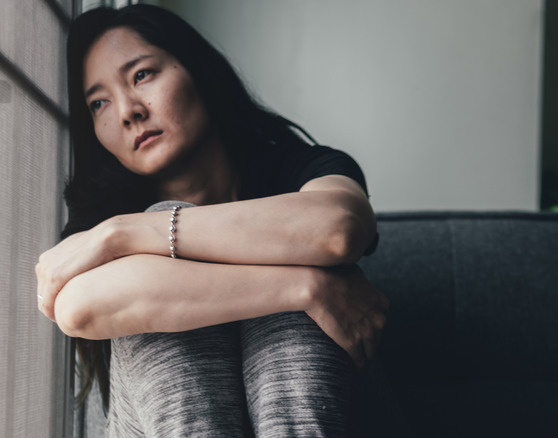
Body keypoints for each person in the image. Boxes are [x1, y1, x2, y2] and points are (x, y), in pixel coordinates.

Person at [35, 4, 388, 437]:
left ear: (197, 70)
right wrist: (305, 287)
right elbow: (78, 307)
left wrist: (124, 235)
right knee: (275, 262)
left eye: (142, 75)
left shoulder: (296, 168)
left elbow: (338, 229)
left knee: (291, 247)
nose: (128, 111)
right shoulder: (101, 210)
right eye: (99, 103)